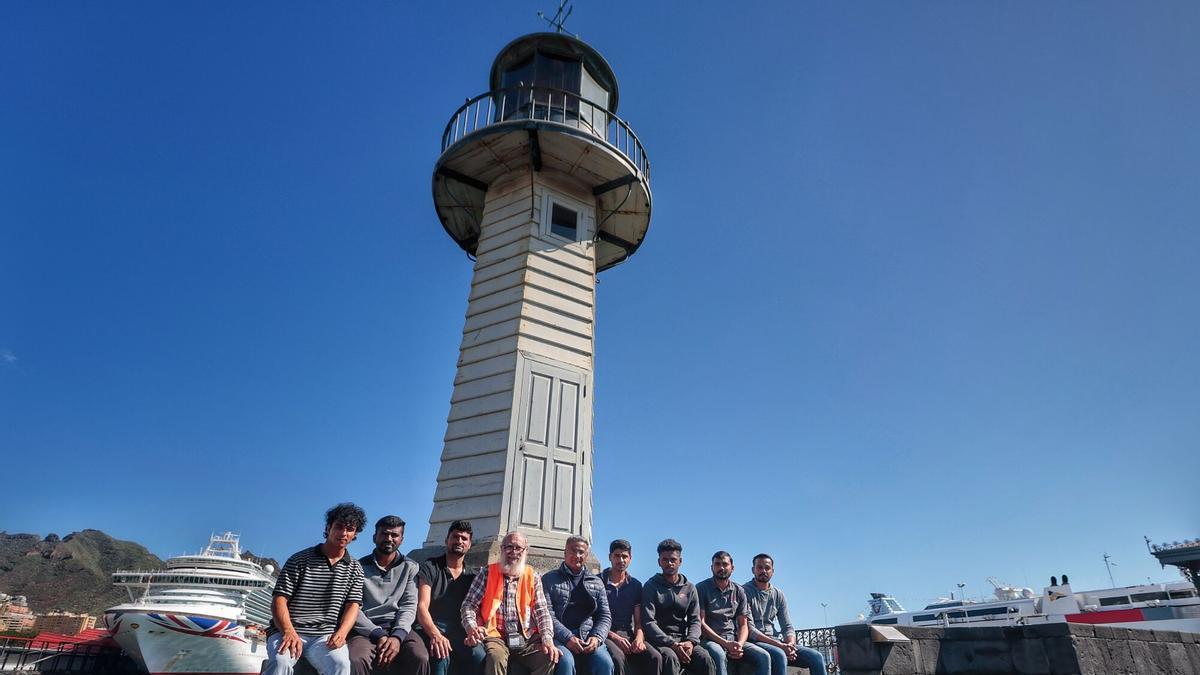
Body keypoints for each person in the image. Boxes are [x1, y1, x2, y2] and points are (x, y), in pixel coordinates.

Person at [266, 503, 368, 675]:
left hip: (324, 636)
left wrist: (342, 632)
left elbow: (353, 605)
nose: (343, 533)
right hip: (288, 630)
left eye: (349, 529)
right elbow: (279, 599)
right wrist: (289, 631)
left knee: (341, 665)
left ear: (354, 534)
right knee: (280, 662)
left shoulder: (355, 568)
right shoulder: (299, 560)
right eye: (339, 527)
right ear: (328, 528)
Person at [460, 531, 560, 675]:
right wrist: (472, 627)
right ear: (501, 549)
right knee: (495, 658)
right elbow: (469, 604)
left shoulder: (533, 576)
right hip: (496, 635)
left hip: (525, 636)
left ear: (526, 551)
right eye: (509, 547)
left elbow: (542, 611)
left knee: (548, 657)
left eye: (518, 548)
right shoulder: (487, 572)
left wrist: (547, 639)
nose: (513, 552)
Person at [349, 516, 429, 675]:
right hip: (365, 629)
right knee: (356, 659)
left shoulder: (411, 567)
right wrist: (377, 634)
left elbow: (409, 605)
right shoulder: (357, 567)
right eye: (384, 534)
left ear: (402, 539)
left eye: (394, 535)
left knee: (420, 656)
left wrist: (397, 636)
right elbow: (353, 608)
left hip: (397, 626)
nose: (389, 539)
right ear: (375, 537)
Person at [415, 520, 486, 675]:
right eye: (455, 537)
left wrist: (474, 631)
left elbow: (478, 609)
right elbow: (421, 606)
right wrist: (435, 635)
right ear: (447, 540)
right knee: (440, 655)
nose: (459, 541)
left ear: (469, 544)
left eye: (464, 539)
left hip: (460, 631)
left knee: (479, 655)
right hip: (430, 627)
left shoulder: (474, 575)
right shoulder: (431, 566)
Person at [742, 555, 826, 675]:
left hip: (775, 640)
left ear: (772, 571)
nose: (763, 571)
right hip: (754, 642)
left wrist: (790, 644)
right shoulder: (744, 592)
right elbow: (750, 629)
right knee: (779, 654)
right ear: (753, 570)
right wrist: (781, 646)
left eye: (767, 568)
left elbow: (787, 626)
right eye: (759, 567)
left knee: (816, 657)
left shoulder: (778, 594)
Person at [641, 540, 714, 675]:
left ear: (680, 561)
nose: (669, 563)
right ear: (659, 562)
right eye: (665, 559)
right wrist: (671, 644)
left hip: (683, 639)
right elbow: (648, 621)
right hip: (659, 641)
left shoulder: (690, 588)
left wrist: (691, 642)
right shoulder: (650, 586)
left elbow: (695, 620)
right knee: (671, 658)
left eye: (673, 559)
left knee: (704, 658)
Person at [542, 537, 613, 675]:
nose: (577, 556)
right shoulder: (549, 579)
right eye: (572, 551)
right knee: (565, 662)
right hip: (560, 637)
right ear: (565, 553)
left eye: (581, 552)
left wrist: (597, 637)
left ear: (587, 556)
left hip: (588, 635)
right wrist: (568, 637)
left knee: (604, 662)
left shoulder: (597, 582)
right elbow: (547, 614)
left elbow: (605, 615)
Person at [696, 552, 769, 675]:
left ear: (732, 568)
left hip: (733, 639)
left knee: (764, 656)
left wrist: (739, 644)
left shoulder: (739, 590)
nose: (721, 568)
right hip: (710, 640)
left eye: (725, 564)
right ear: (712, 567)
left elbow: (743, 624)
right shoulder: (701, 588)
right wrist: (725, 644)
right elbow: (701, 623)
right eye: (717, 564)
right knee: (719, 654)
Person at [600, 540, 661, 675]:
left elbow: (638, 622)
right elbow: (593, 618)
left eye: (625, 556)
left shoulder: (635, 585)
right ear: (610, 557)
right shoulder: (598, 582)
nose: (621, 560)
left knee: (655, 657)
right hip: (606, 634)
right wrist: (615, 637)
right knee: (618, 658)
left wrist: (639, 638)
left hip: (628, 634)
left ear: (630, 558)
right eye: (617, 556)